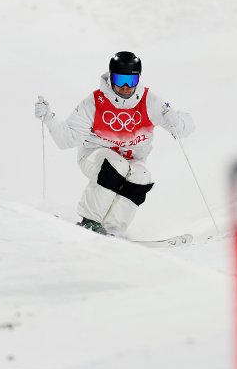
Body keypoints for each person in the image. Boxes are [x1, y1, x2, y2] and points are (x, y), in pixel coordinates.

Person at [34, 51, 195, 236]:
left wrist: (176, 121)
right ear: (110, 78)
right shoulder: (95, 102)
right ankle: (90, 221)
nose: (125, 87)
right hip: (94, 157)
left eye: (131, 81)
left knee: (142, 176)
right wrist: (49, 118)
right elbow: (66, 139)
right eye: (120, 80)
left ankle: (113, 230)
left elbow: (185, 128)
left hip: (132, 162)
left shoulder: (150, 102)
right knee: (116, 164)